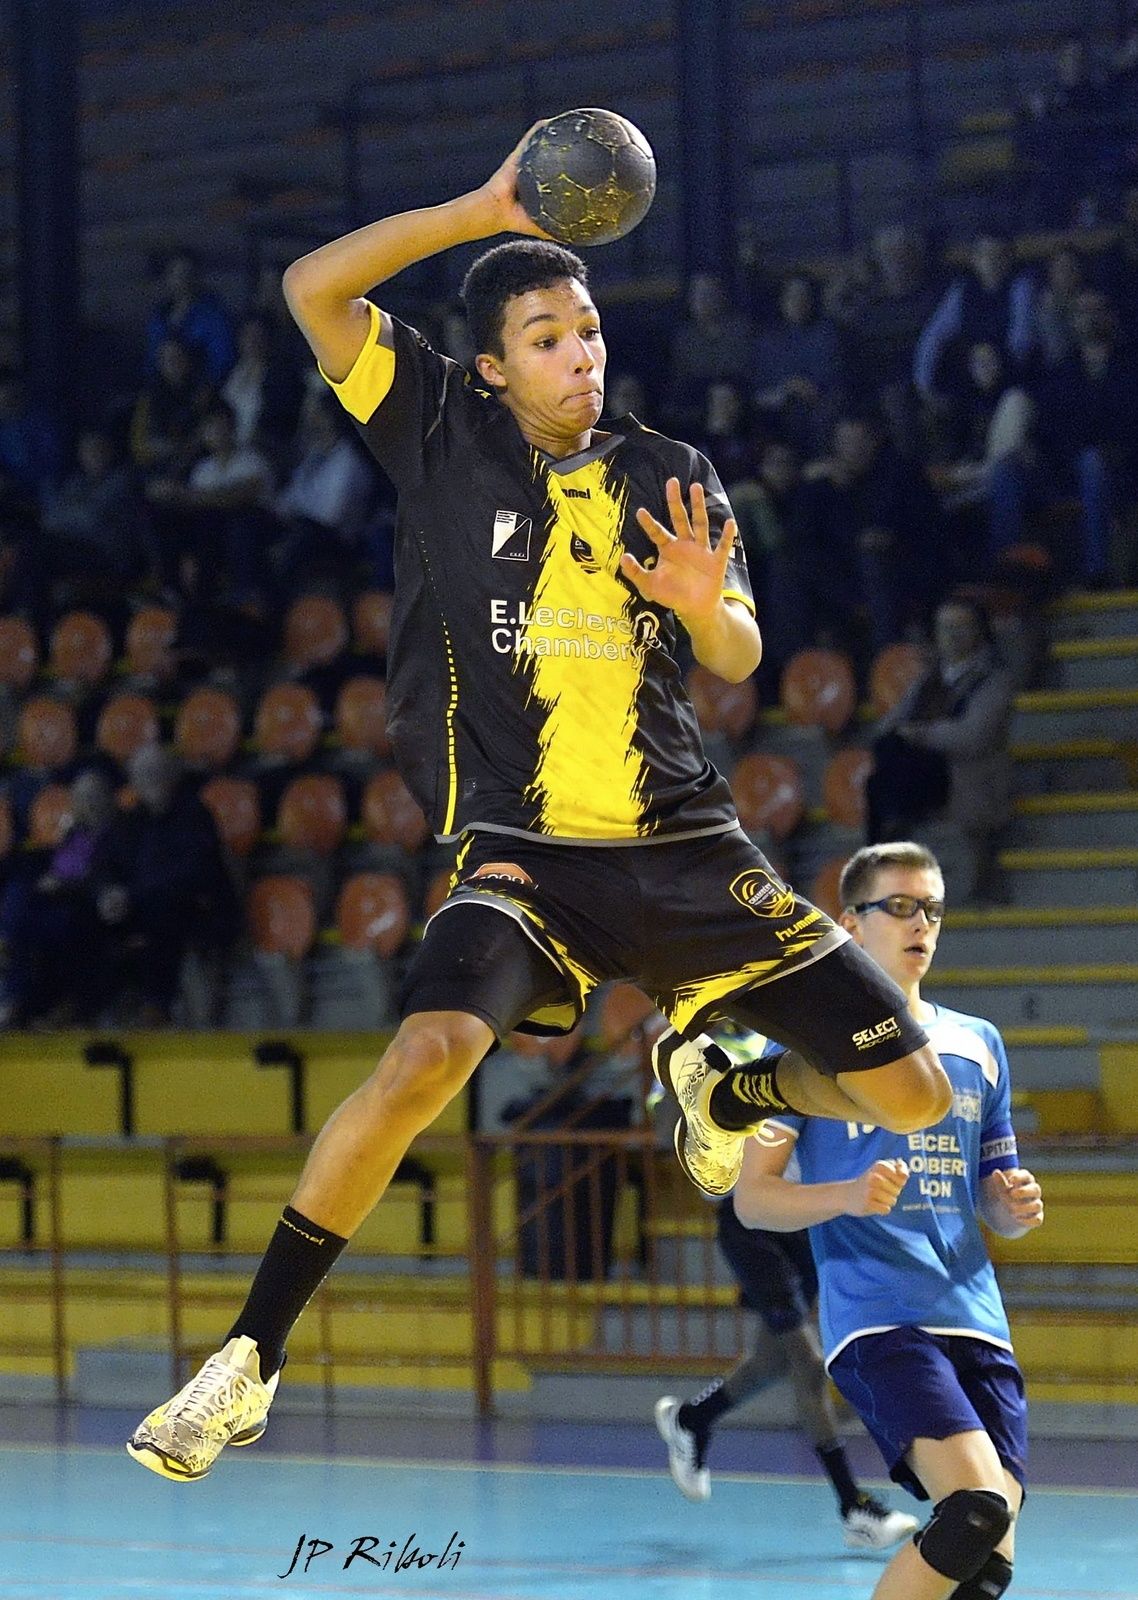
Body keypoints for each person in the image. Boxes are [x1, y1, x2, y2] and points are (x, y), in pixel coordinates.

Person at [127, 125, 951, 1483]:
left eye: (588, 332)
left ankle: (727, 1084)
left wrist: (708, 609)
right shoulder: (436, 426)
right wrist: (481, 207)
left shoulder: (666, 469)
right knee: (426, 1058)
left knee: (912, 1092)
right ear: (493, 364)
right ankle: (247, 1361)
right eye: (549, 339)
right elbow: (312, 290)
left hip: (683, 844)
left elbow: (739, 648)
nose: (580, 356)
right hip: (523, 855)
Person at [731, 840, 1043, 1600]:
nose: (920, 924)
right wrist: (844, 1195)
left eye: (931, 908)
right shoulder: (805, 1046)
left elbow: (992, 1195)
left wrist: (1009, 1209)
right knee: (970, 1512)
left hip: (975, 1316)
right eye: (898, 907)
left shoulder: (978, 1044)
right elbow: (752, 1198)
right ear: (850, 924)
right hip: (880, 1316)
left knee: (989, 1560)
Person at [655, 1174, 919, 1548]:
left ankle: (691, 1419)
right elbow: (706, 1172)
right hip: (752, 1225)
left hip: (803, 1220)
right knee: (809, 1364)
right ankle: (853, 1507)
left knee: (770, 1362)